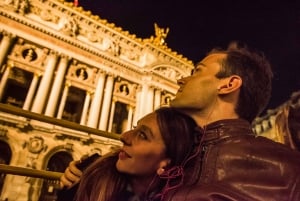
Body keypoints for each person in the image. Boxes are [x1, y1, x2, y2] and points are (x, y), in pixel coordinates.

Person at [60, 42, 300, 200]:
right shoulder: (162, 156)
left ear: (228, 84)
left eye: (197, 71)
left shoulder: (288, 169)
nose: (180, 80)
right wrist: (90, 178)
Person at [61, 107, 201, 201]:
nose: (124, 136)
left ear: (166, 162)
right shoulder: (89, 174)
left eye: (142, 135)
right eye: (135, 128)